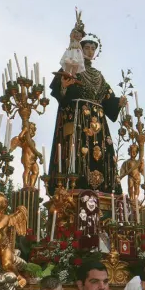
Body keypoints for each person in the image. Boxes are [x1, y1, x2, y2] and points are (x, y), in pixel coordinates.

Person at [47, 28, 128, 194]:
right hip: (78, 120)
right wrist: (64, 86)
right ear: (81, 49)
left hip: (98, 123)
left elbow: (107, 98)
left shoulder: (98, 75)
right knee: (78, 155)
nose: (90, 51)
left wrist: (117, 103)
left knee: (99, 157)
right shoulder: (73, 67)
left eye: (93, 49)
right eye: (87, 48)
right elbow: (60, 89)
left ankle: (104, 191)